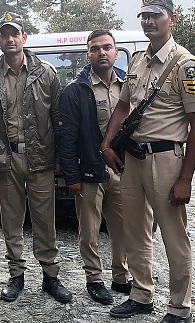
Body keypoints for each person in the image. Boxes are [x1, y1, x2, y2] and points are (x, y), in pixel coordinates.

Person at [100, 0, 195, 323]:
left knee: (174, 236)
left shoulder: (185, 64)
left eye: (155, 15)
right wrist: (106, 142)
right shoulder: (137, 61)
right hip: (133, 156)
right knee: (134, 229)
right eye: (143, 15)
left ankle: (179, 307)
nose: (148, 21)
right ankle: (142, 293)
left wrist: (186, 177)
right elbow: (123, 107)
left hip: (167, 159)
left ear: (171, 19)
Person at [0, 12, 72, 304]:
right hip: (6, 159)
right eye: (4, 34)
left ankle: (50, 277)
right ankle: (16, 275)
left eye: (14, 33)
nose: (10, 39)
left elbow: (58, 118)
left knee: (45, 220)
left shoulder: (46, 73)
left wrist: (59, 158)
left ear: (24, 37)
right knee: (11, 220)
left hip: (41, 157)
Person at [58, 29, 140, 305]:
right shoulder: (74, 92)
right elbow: (66, 137)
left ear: (116, 53)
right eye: (95, 48)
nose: (102, 52)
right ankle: (94, 279)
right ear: (88, 55)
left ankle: (121, 277)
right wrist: (71, 175)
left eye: (107, 47)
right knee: (89, 230)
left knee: (122, 228)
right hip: (90, 171)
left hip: (122, 170)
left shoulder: (129, 86)